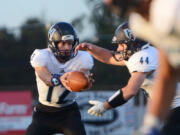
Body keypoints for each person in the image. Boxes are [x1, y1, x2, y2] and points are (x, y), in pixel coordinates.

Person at [103, 0, 180, 135]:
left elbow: (130, 90)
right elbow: (167, 73)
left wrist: (104, 106)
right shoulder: (139, 24)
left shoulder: (171, 9)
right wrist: (152, 124)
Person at [75, 21, 159, 118]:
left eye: (121, 44)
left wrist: (104, 106)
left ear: (133, 43)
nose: (118, 49)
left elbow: (130, 90)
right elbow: (109, 57)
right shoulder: (141, 53)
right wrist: (90, 48)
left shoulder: (143, 57)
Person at [25, 22, 94, 135]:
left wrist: (85, 82)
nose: (67, 47)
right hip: (44, 112)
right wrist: (60, 78)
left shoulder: (83, 57)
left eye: (70, 43)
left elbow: (83, 75)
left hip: (68, 112)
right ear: (53, 43)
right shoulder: (42, 55)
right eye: (63, 43)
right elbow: (45, 76)